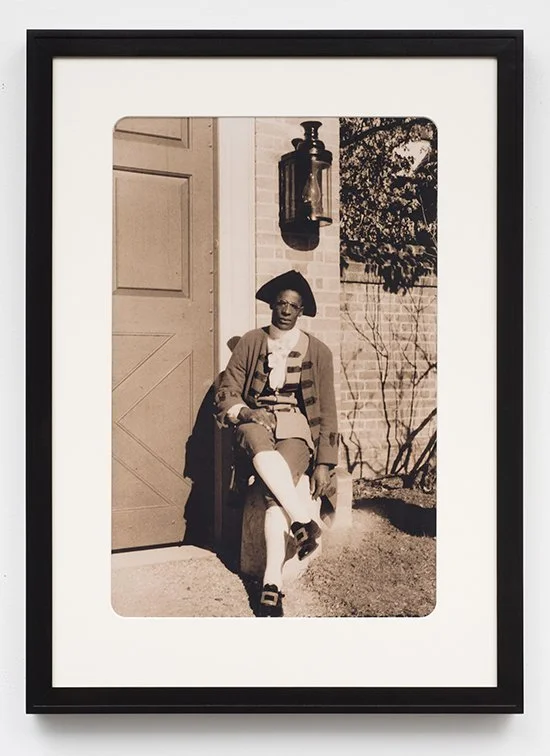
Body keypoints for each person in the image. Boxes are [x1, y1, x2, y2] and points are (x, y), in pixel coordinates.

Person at [215, 269, 338, 617]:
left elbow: (327, 409)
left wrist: (324, 462)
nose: (285, 310)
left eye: (293, 306)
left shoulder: (319, 351)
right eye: (280, 303)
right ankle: (302, 522)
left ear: (301, 311)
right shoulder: (251, 342)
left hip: (296, 426)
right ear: (271, 306)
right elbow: (228, 389)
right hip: (256, 422)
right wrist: (247, 412)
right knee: (254, 437)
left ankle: (271, 583)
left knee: (274, 492)